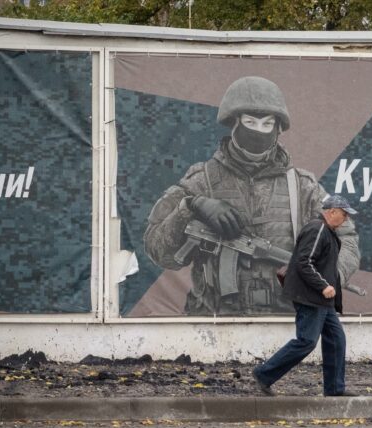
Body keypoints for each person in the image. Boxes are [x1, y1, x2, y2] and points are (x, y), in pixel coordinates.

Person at [144, 76, 360, 315]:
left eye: (267, 124)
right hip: (212, 322)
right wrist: (190, 206)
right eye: (250, 122)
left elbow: (346, 240)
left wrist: (329, 276)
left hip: (287, 320)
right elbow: (159, 251)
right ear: (234, 122)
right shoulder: (201, 180)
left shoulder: (302, 186)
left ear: (278, 128)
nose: (259, 131)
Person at [252, 195, 358, 397]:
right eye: (344, 215)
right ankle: (263, 374)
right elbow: (304, 262)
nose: (345, 220)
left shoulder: (326, 231)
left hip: (322, 301)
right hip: (311, 297)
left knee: (337, 340)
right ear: (332, 211)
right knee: (306, 341)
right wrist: (323, 286)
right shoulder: (318, 229)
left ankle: (335, 390)